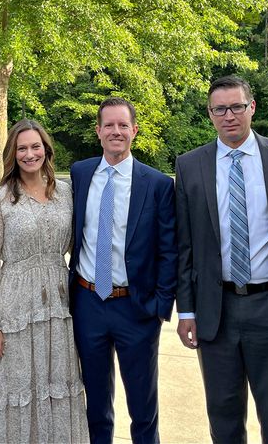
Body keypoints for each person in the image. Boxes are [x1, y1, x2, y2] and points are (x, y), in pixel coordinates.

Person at [175, 75, 268, 443]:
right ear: (210, 114)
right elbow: (185, 245)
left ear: (252, 107)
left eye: (236, 106)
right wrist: (186, 311)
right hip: (216, 312)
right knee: (224, 416)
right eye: (220, 109)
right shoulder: (190, 166)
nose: (229, 115)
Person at [0, 119, 88, 443]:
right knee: (11, 388)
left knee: (53, 387)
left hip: (57, 308)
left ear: (46, 148)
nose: (30, 154)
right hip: (13, 307)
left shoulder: (66, 193)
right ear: (13, 154)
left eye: (35, 146)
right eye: (22, 148)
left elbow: (81, 244)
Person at [69, 97, 178, 444]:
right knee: (96, 405)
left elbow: (169, 249)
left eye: (122, 125)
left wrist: (160, 306)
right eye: (109, 125)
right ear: (98, 131)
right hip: (88, 303)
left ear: (134, 130)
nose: (116, 131)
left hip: (136, 308)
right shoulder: (80, 174)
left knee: (143, 409)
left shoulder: (158, 184)